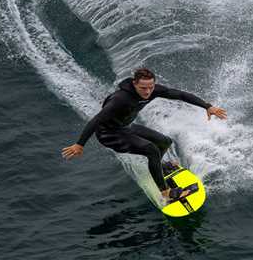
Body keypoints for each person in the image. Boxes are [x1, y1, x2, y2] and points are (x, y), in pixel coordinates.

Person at [62, 68, 227, 202]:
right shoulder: (121, 99)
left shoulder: (152, 90)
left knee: (164, 142)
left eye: (151, 87)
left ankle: (158, 168)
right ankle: (166, 192)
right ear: (134, 84)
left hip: (125, 127)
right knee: (151, 150)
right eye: (143, 88)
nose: (148, 92)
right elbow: (96, 121)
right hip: (109, 134)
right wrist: (80, 144)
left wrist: (207, 106)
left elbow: (181, 95)